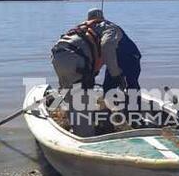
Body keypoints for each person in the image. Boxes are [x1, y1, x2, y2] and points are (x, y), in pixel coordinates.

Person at [50, 8, 141, 136]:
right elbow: (107, 46)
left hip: (57, 56)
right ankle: (85, 138)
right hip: (77, 60)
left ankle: (75, 129)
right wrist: (116, 74)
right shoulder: (109, 27)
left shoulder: (82, 28)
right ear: (102, 17)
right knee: (82, 102)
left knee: (72, 97)